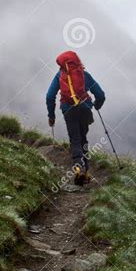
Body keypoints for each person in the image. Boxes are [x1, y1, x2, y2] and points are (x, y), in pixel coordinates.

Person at [46, 50, 105, 185]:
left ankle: (79, 168)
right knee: (83, 138)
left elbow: (49, 96)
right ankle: (86, 172)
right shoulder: (83, 74)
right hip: (84, 109)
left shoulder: (59, 76)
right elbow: (100, 94)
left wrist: (51, 116)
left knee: (75, 139)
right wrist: (97, 105)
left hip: (68, 110)